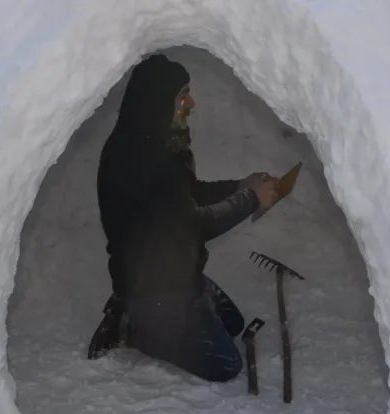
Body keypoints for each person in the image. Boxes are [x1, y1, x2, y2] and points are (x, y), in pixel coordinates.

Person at [87, 54, 278, 382]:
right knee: (225, 366)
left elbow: (188, 195)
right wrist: (250, 199)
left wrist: (239, 185)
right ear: (159, 100)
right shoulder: (138, 158)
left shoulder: (153, 142)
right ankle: (134, 325)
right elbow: (194, 225)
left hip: (174, 273)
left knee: (233, 323)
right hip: (153, 288)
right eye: (182, 94)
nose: (190, 102)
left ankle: (184, 300)